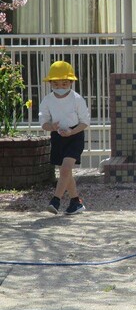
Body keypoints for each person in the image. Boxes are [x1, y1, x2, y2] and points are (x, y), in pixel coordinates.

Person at [39, 61, 91, 215]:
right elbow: (44, 122)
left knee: (66, 169)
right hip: (58, 137)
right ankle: (76, 202)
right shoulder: (47, 100)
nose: (60, 87)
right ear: (50, 84)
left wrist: (72, 132)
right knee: (65, 172)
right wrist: (52, 127)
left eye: (64, 83)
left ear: (70, 82)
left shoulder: (77, 99)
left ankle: (55, 200)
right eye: (56, 84)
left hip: (75, 136)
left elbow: (85, 122)